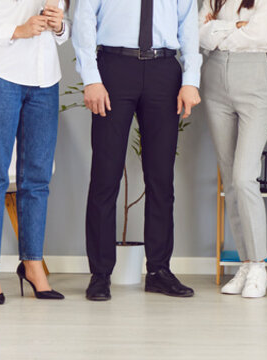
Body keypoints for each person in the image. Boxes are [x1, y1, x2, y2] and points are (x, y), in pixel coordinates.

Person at [73, 0, 202, 301]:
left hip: (164, 71)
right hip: (114, 68)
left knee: (161, 178)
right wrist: (91, 78)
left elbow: (189, 28)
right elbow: (83, 20)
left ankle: (159, 271)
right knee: (105, 176)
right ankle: (100, 273)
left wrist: (190, 80)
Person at [0, 0, 71, 305]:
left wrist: (59, 25)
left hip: (46, 81)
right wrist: (17, 30)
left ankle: (33, 265)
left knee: (37, 180)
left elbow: (64, 31)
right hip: (0, 78)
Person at [199, 0, 267, 299]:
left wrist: (216, 30)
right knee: (229, 180)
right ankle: (246, 263)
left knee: (244, 178)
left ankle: (260, 266)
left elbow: (260, 34)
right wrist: (231, 28)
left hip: (254, 81)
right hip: (213, 82)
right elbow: (198, 34)